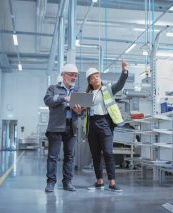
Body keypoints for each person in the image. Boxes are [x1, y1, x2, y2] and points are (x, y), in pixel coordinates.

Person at [83, 60, 128, 192]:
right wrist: (79, 108)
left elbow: (119, 85)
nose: (96, 78)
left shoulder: (107, 89)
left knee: (108, 153)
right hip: (92, 124)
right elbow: (81, 112)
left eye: (97, 75)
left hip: (105, 123)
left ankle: (112, 183)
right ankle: (99, 181)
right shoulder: (87, 95)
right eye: (93, 77)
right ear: (90, 81)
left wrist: (124, 71)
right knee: (95, 154)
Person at [43, 64, 82, 192]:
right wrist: (64, 98)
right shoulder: (53, 88)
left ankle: (67, 182)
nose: (74, 77)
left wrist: (79, 110)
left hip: (72, 127)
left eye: (75, 75)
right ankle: (50, 183)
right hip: (56, 127)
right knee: (53, 157)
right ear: (63, 75)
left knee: (69, 156)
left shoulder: (77, 91)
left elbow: (81, 112)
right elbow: (48, 100)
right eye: (71, 74)